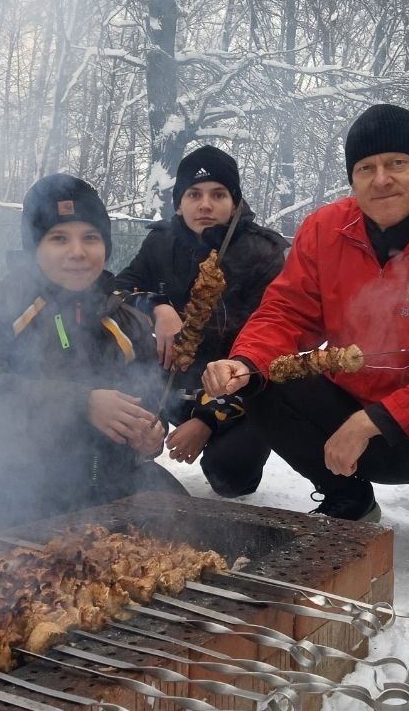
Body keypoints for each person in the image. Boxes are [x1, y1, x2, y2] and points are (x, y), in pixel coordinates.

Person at [202, 104, 409, 569]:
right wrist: (245, 361)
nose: (382, 179)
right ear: (352, 178)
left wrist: (374, 420)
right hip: (348, 401)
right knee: (265, 383)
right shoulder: (324, 231)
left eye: (398, 163)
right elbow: (287, 312)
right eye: (365, 167)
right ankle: (349, 497)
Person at [0, 173, 186, 534]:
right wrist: (80, 403)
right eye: (59, 238)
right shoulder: (5, 303)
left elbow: (151, 400)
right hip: (19, 478)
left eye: (90, 238)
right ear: (35, 247)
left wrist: (151, 433)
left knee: (183, 527)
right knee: (28, 573)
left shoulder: (127, 319)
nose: (78, 252)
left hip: (109, 477)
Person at [114, 145, 289, 497]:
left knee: (230, 475)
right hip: (168, 380)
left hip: (237, 391)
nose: (205, 205)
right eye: (194, 194)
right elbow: (118, 291)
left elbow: (269, 346)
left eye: (218, 194)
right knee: (128, 441)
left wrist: (208, 419)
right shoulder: (160, 243)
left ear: (235, 203)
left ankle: (228, 451)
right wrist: (157, 306)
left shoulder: (264, 254)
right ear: (179, 203)